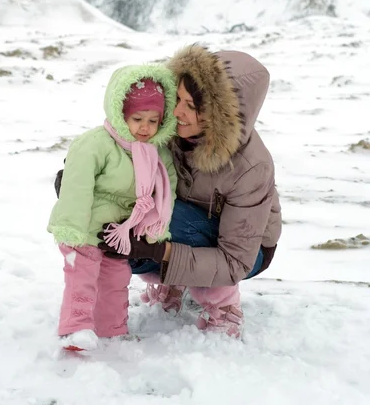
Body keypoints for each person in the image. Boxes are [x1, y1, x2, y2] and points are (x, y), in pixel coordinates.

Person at [98, 45, 282, 339]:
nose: (177, 111)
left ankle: (224, 308)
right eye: (178, 98)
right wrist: (84, 179)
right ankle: (174, 277)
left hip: (247, 252)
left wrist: (158, 251)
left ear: (218, 116)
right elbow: (121, 152)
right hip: (188, 225)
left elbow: (236, 260)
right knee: (114, 224)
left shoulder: (251, 167)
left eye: (191, 106)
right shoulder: (169, 129)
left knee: (161, 219)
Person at [48, 64, 177, 351]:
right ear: (121, 114)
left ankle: (111, 328)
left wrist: (154, 232)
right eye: (137, 118)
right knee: (82, 278)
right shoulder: (96, 144)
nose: (145, 127)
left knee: (116, 279)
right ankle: (75, 328)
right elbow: (77, 185)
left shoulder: (156, 154)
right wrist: (73, 228)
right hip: (85, 226)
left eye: (153, 121)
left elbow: (166, 191)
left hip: (118, 233)